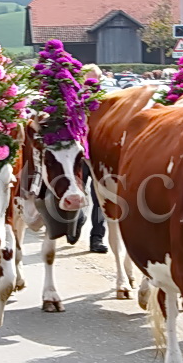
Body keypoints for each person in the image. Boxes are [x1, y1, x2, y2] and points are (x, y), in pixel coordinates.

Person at [79, 63, 108, 254]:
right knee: (75, 191)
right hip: (78, 156)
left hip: (99, 155)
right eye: (88, 80)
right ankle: (75, 222)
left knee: (99, 198)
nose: (92, 84)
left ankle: (96, 238)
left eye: (95, 80)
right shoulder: (73, 102)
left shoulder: (106, 103)